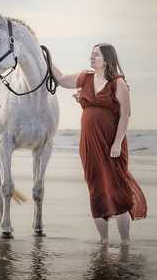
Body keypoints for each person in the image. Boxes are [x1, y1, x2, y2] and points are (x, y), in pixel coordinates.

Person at [51, 43, 148, 246]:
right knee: (95, 188)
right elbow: (60, 80)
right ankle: (103, 239)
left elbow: (125, 115)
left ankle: (124, 241)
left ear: (107, 59)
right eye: (92, 54)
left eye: (96, 55)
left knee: (117, 188)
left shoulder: (117, 83)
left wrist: (117, 143)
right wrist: (46, 58)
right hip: (89, 144)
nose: (92, 57)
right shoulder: (85, 77)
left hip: (111, 144)